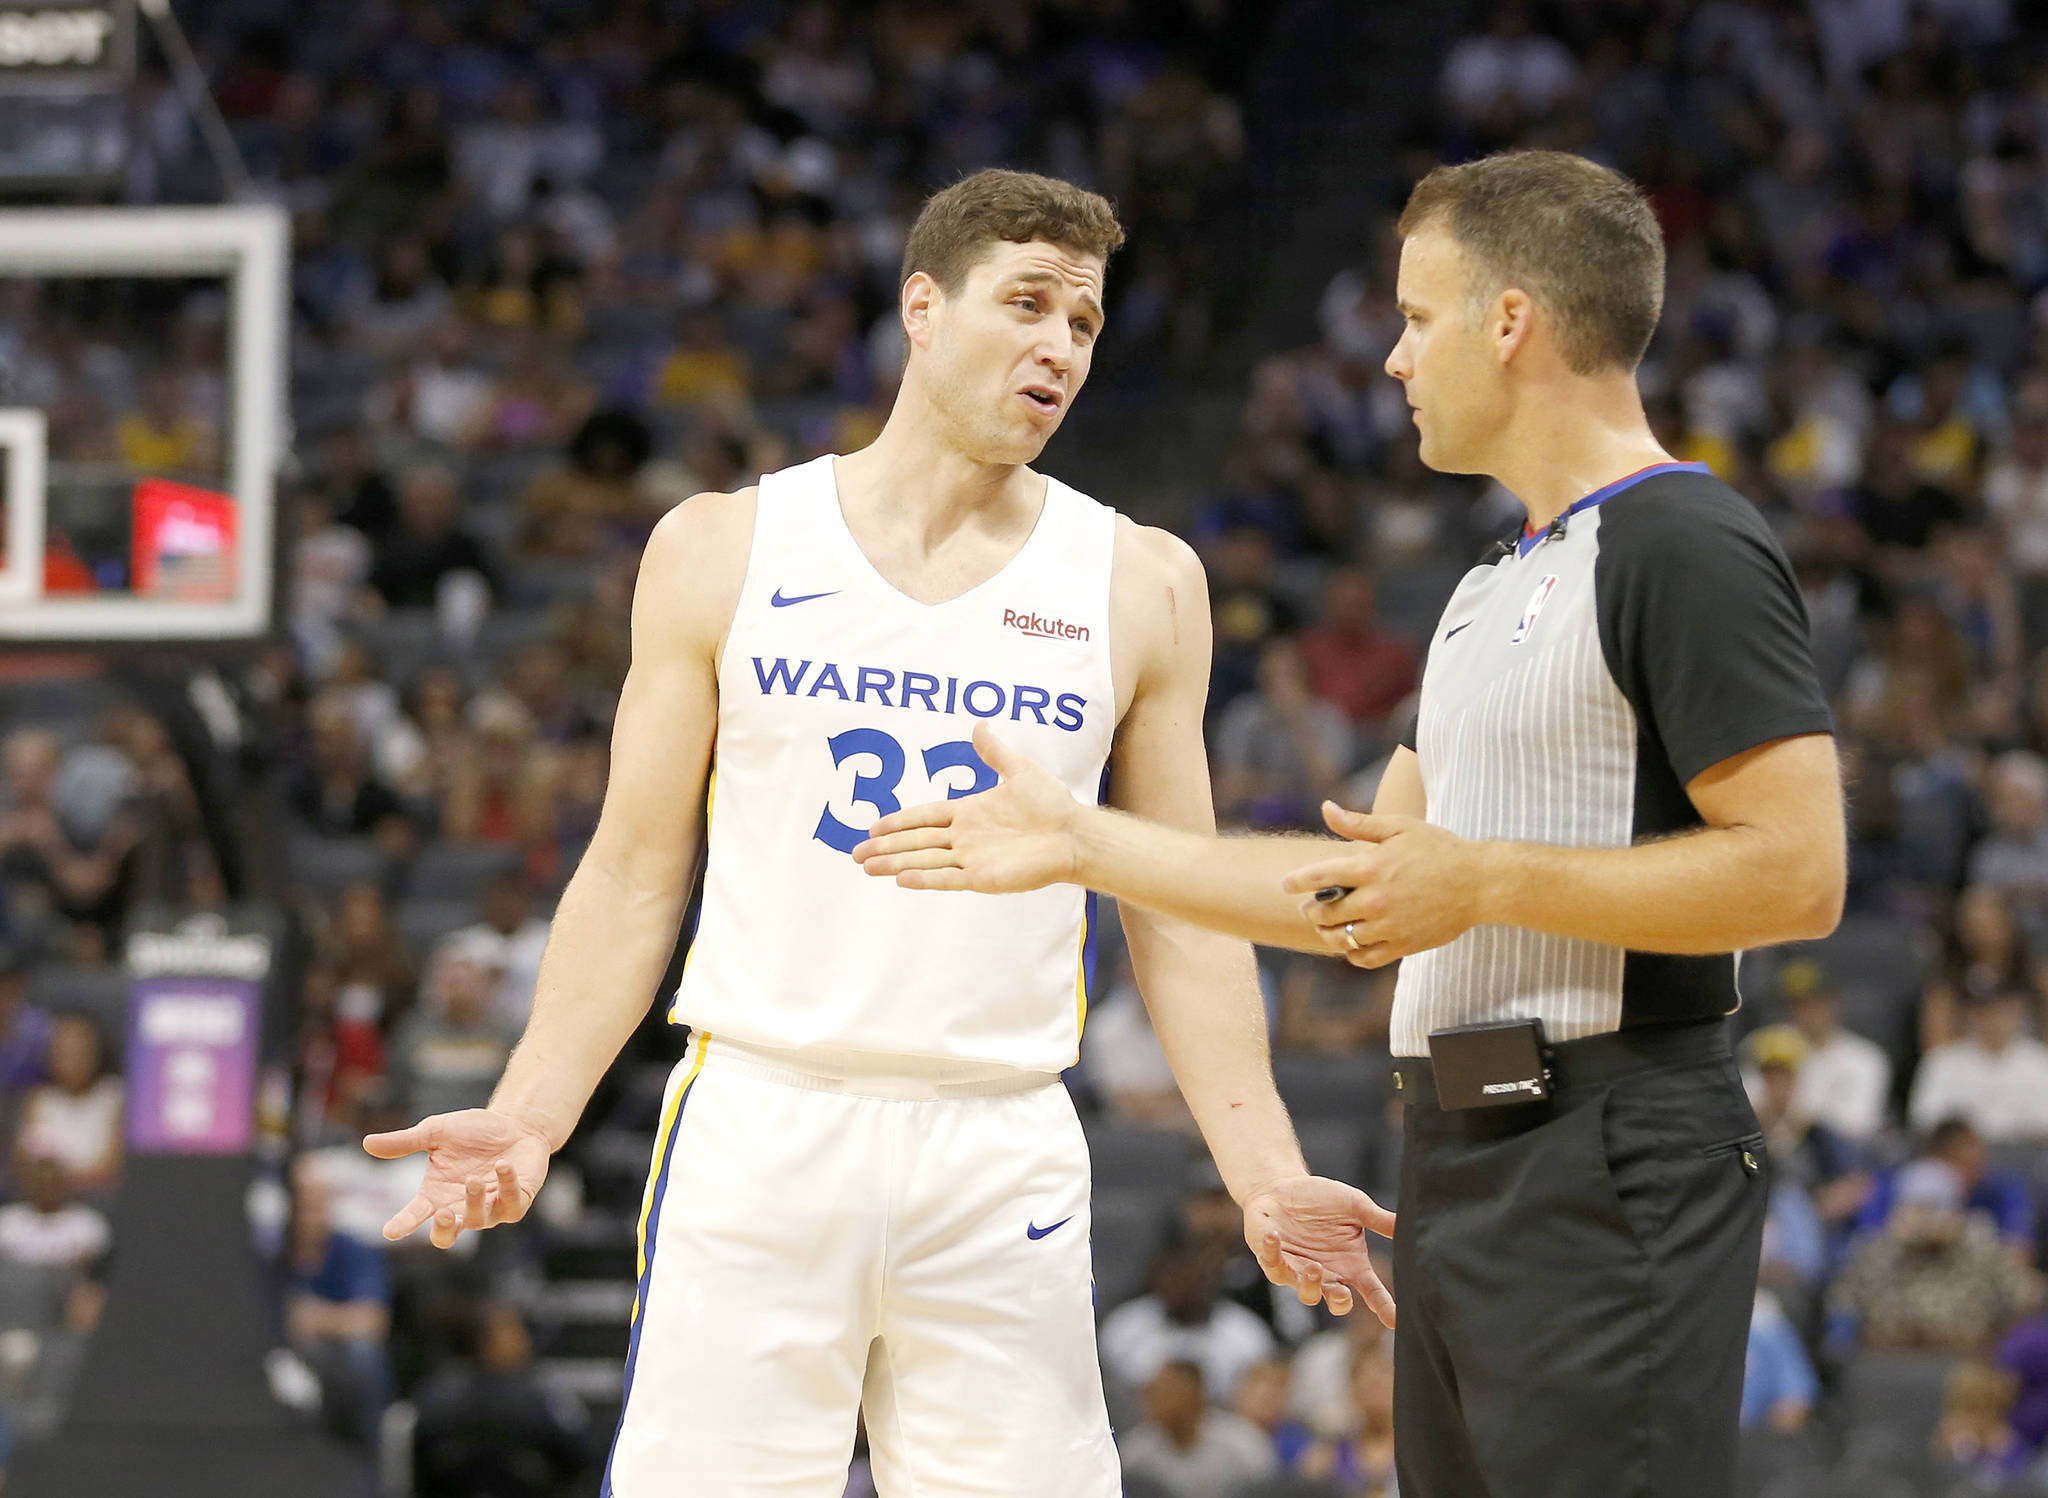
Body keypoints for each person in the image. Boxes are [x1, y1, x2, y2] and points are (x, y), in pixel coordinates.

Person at [365, 168, 1386, 1498]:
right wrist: (531, 1107)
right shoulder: (725, 544)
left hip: (1000, 1129)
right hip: (765, 1111)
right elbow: (630, 870)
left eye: (1082, 323)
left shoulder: (1141, 580)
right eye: (1026, 305)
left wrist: (1267, 1173)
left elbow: (1177, 904)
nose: (1057, 348)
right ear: (921, 305)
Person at [856, 150, 1846, 1498]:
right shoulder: (1488, 585)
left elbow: (1799, 873)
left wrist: (1485, 876)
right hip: (1462, 1147)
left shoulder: (1686, 543)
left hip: (1614, 1144)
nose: (1392, 358)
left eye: (1417, 317)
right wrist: (1085, 842)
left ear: (1511, 323)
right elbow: (1372, 893)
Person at [1117, 1361, 1278, 1498]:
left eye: (1169, 1392)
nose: (1156, 1401)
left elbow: (1269, 1490)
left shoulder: (1243, 1442)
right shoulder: (1135, 1452)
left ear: (1196, 1395)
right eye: (1152, 1394)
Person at [1909, 990, 2048, 1141]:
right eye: (1983, 1011)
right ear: (1968, 1014)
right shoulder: (1942, 1060)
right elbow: (1924, 1119)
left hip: (2027, 1156)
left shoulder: (2040, 1060)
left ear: (2017, 1011)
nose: (1992, 1019)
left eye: (2000, 1010)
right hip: (1958, 1154)